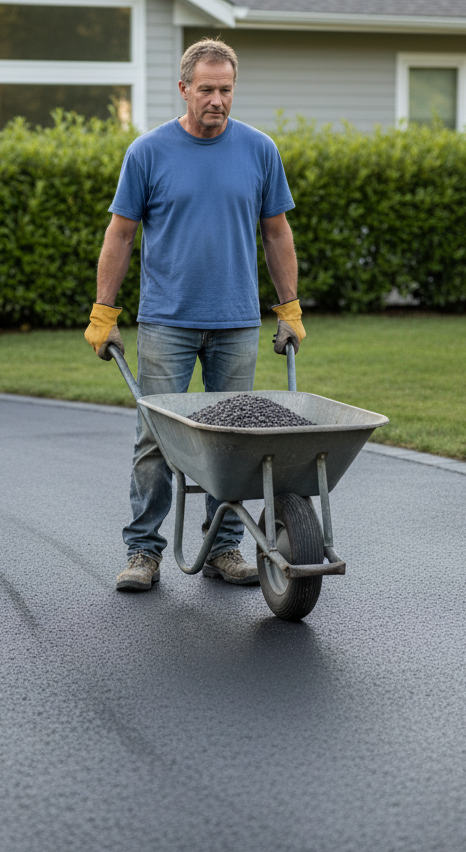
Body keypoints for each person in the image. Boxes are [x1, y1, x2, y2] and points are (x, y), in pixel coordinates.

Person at [84, 38, 306, 593]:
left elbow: (276, 232)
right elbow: (121, 234)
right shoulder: (148, 152)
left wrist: (290, 306)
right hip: (167, 321)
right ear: (184, 89)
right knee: (157, 437)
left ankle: (223, 548)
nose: (216, 100)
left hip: (236, 322)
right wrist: (103, 311)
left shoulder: (259, 150)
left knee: (231, 438)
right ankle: (143, 552)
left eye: (225, 89)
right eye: (205, 89)